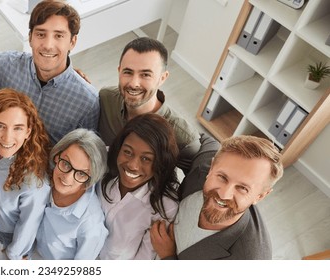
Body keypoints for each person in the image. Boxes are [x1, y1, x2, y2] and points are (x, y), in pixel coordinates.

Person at [0, 0, 99, 144]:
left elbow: (85, 153)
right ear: (30, 37)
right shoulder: (10, 64)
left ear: (72, 42)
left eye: (58, 36)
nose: (47, 45)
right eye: (41, 34)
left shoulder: (87, 102)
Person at [150, 135, 284, 260]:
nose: (224, 194)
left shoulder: (250, 259)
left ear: (260, 196)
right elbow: (204, 139)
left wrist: (168, 256)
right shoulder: (202, 170)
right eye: (222, 177)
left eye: (242, 188)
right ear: (211, 168)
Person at [0, 88, 51, 260]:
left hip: (13, 244)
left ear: (28, 132)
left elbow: (27, 228)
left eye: (18, 128)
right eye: (0, 126)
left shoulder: (33, 182)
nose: (7, 137)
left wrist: (13, 256)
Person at [97, 37, 199, 170]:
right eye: (128, 72)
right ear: (119, 71)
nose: (134, 83)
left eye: (145, 75)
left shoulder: (184, 139)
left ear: (162, 78)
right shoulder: (106, 98)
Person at [97, 114, 180, 260]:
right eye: (127, 152)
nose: (132, 165)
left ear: (160, 162)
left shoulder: (165, 206)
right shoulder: (102, 159)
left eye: (146, 158)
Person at [35, 129, 108, 259]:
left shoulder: (91, 224)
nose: (67, 178)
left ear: (91, 177)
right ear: (57, 156)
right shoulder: (43, 181)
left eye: (81, 173)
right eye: (66, 163)